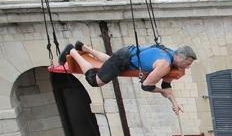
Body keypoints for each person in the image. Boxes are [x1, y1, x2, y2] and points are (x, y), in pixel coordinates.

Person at [59, 40, 196, 115]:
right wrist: (160, 91)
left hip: (129, 55)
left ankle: (84, 47)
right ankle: (72, 50)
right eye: (187, 63)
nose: (188, 67)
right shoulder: (164, 65)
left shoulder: (173, 56)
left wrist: (174, 103)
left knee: (108, 63)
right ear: (179, 57)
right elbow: (147, 86)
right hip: (124, 59)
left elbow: (166, 85)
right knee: (95, 81)